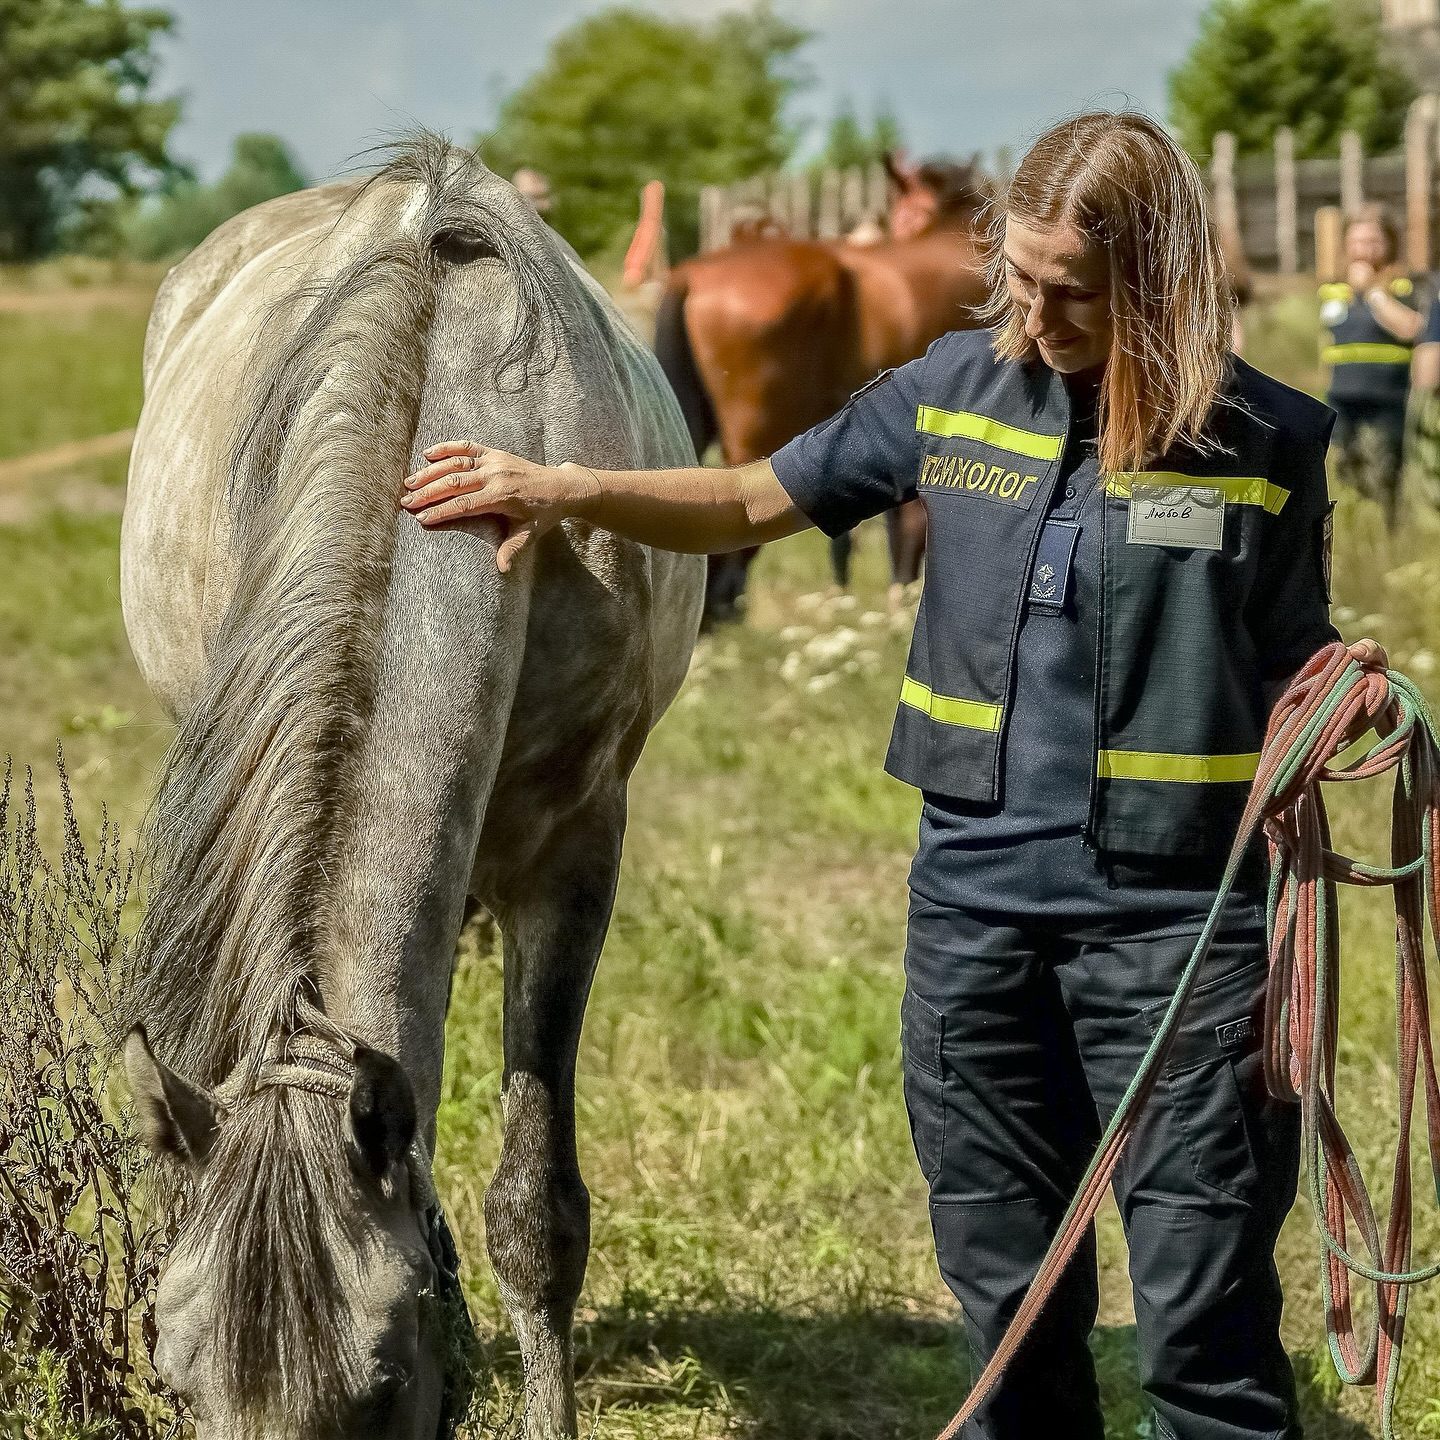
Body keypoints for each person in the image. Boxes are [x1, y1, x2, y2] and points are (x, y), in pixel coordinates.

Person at [399, 112, 1383, 1440]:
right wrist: (565, 484)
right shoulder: (949, 392)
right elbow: (755, 499)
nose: (1035, 314)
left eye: (1072, 292)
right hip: (975, 931)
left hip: (1182, 946)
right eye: (1021, 280)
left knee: (1201, 1335)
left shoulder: (1267, 440)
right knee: (1007, 1316)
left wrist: (1345, 697)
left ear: (1159, 278)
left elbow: (1294, 658)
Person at [1319, 204, 1426, 526]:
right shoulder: (1333, 290)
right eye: (1357, 241)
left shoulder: (1405, 285)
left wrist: (1372, 293)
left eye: (1373, 241)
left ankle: (1387, 532)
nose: (1364, 249)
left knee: (1387, 469)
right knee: (1345, 470)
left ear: (1389, 243)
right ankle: (1354, 529)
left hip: (1388, 397)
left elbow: (1411, 328)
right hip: (1342, 397)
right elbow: (1327, 342)